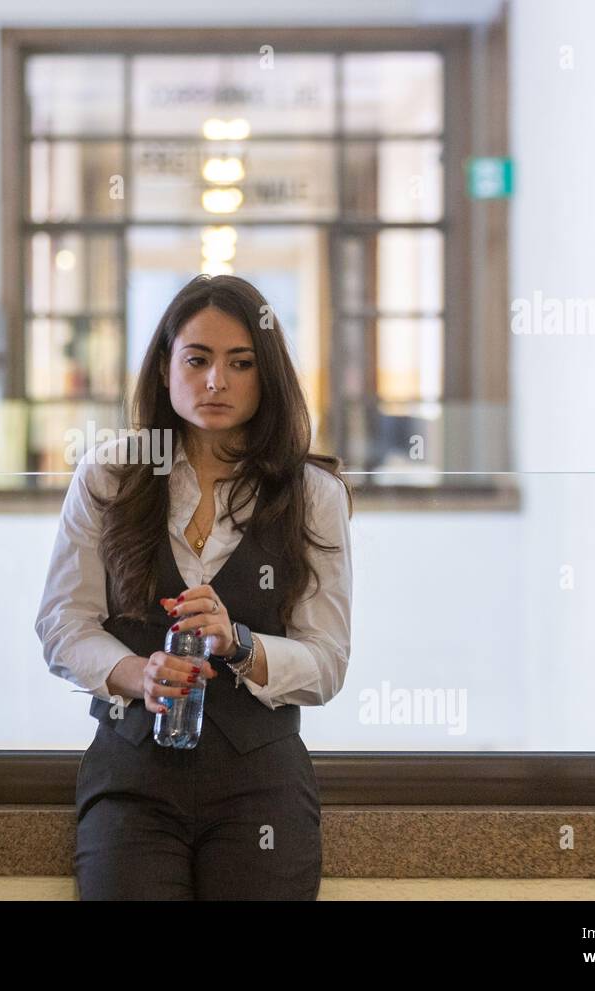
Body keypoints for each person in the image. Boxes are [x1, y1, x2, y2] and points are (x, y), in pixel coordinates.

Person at [35, 274, 353, 900]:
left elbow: (327, 663)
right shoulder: (112, 474)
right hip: (132, 778)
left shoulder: (313, 495)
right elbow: (63, 626)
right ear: (163, 367)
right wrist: (136, 672)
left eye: (241, 363)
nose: (217, 381)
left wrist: (240, 645)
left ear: (268, 376)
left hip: (260, 781)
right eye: (198, 359)